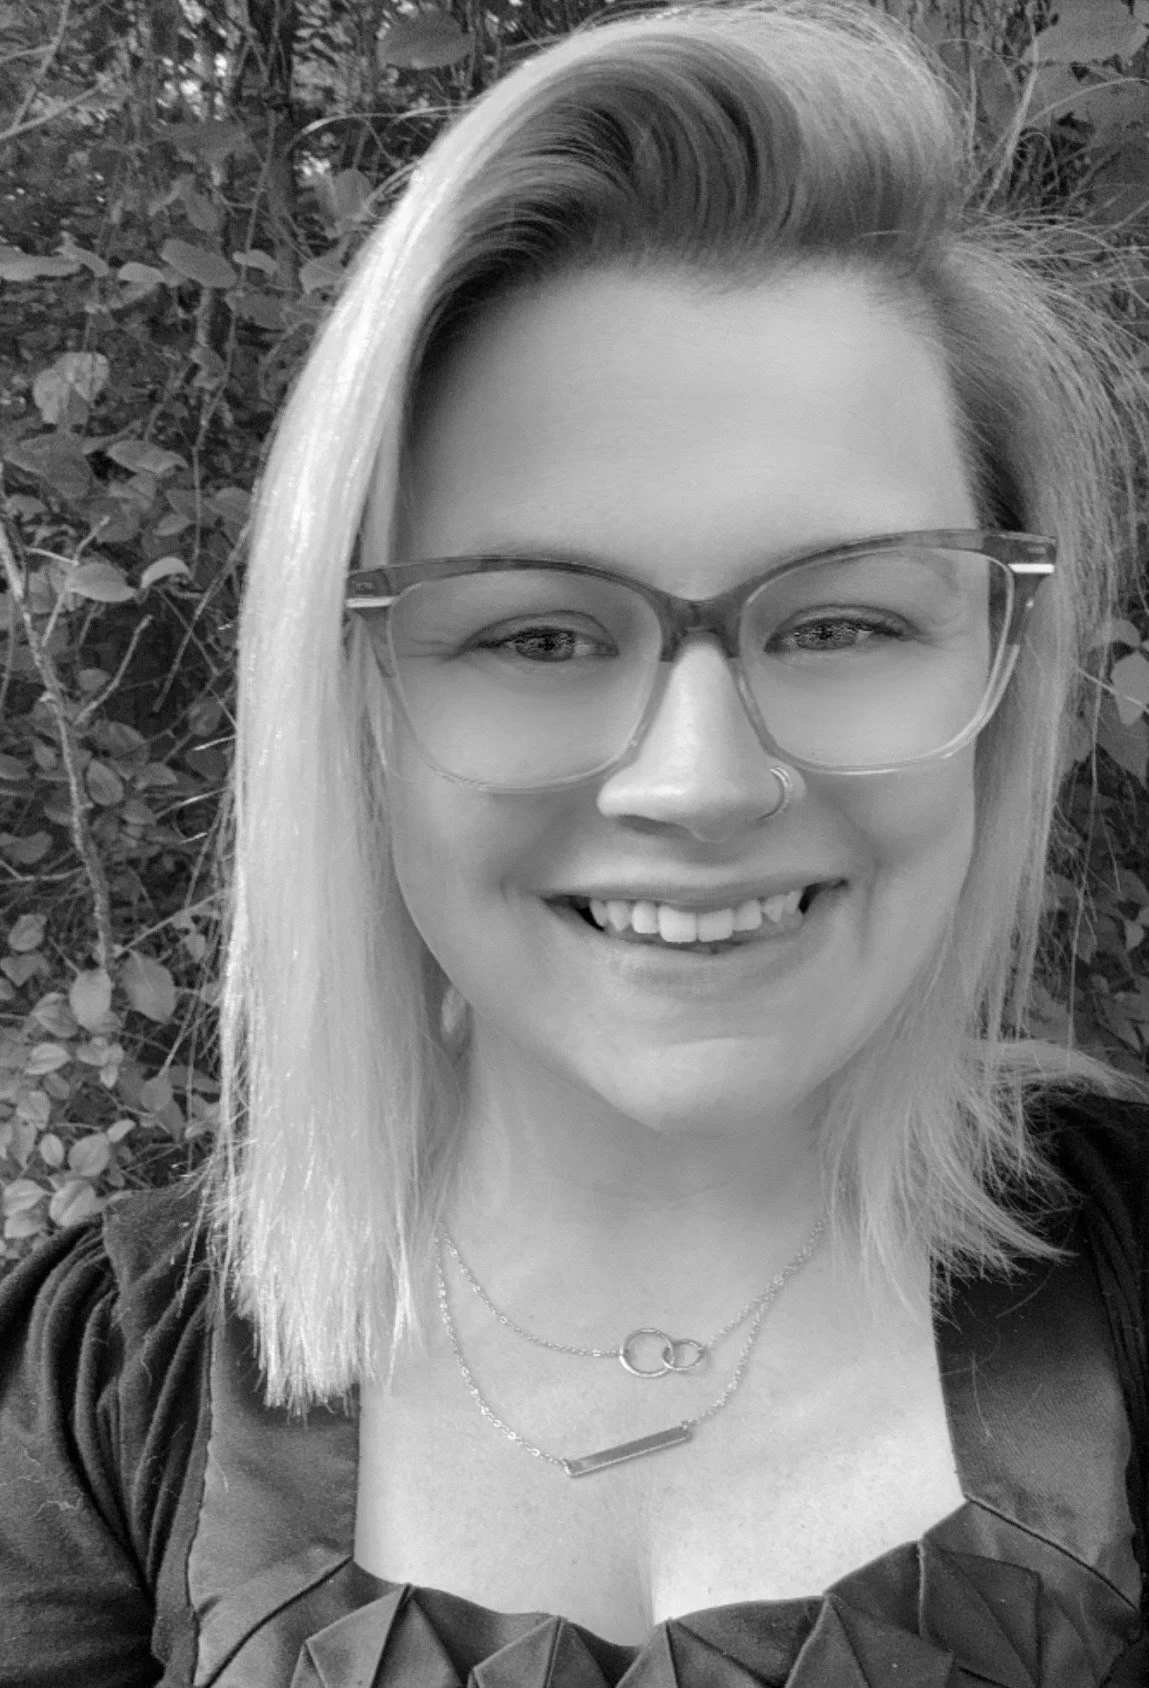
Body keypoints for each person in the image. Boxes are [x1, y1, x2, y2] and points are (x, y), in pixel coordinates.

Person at [3, 1, 1149, 1682]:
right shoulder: (100, 1401)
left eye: (840, 624)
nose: (698, 783)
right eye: (536, 635)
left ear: (1005, 656)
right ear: (355, 702)